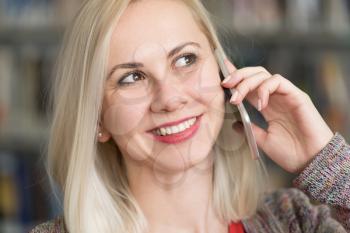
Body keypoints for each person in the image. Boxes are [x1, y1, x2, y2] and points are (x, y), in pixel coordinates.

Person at [29, 0, 350, 232]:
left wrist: (328, 163)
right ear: (96, 118)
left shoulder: (294, 220)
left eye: (185, 59)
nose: (169, 98)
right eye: (131, 78)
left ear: (224, 71)